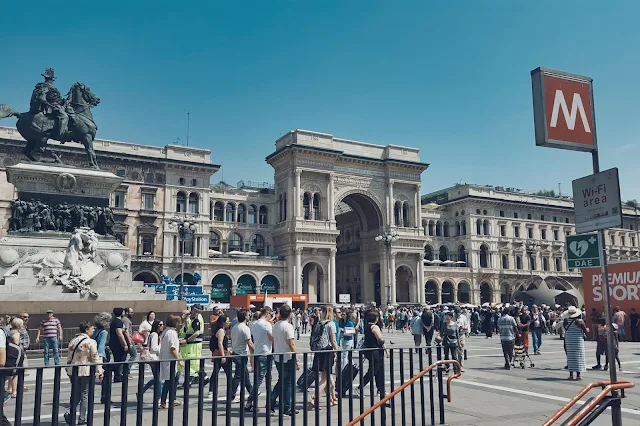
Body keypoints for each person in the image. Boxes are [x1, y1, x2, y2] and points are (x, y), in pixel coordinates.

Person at [64, 322, 103, 426]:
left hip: (73, 370)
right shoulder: (91, 342)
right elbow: (95, 357)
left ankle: (70, 412)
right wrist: (100, 370)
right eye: (92, 328)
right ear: (86, 329)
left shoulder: (73, 341)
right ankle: (82, 418)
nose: (93, 330)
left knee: (75, 393)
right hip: (86, 370)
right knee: (85, 394)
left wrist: (68, 370)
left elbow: (68, 357)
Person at [270, 304, 300, 416]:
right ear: (290, 314)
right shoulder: (288, 326)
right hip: (287, 357)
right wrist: (296, 358)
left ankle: (272, 401)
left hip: (278, 355)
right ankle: (287, 407)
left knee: (282, 380)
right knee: (287, 383)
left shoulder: (276, 325)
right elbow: (291, 343)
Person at [308, 305, 339, 409]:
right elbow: (333, 340)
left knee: (324, 377)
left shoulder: (318, 323)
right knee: (325, 379)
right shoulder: (331, 324)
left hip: (318, 351)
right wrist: (337, 350)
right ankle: (315, 397)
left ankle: (331, 397)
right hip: (327, 351)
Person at [245, 307, 274, 413]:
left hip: (258, 352)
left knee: (264, 379)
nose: (272, 316)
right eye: (271, 314)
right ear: (267, 313)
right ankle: (250, 401)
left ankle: (270, 401)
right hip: (265, 353)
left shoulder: (254, 324)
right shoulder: (266, 325)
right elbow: (272, 338)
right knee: (261, 380)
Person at [354, 309, 386, 399]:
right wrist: (383, 341)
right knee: (373, 371)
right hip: (375, 351)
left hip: (369, 350)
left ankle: (380, 389)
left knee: (378, 371)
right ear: (376, 318)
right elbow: (380, 339)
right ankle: (360, 387)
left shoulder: (367, 326)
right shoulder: (375, 327)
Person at [229, 309, 254, 403]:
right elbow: (250, 343)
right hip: (241, 354)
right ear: (245, 317)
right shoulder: (245, 328)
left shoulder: (235, 326)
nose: (249, 316)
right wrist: (257, 351)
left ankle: (251, 391)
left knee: (245, 375)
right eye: (248, 315)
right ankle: (231, 394)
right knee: (238, 376)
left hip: (236, 352)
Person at [160, 315, 183, 409]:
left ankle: (169, 400)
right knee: (170, 382)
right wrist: (180, 360)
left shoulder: (166, 331)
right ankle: (166, 401)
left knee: (169, 381)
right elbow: (173, 349)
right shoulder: (172, 333)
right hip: (171, 361)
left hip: (165, 359)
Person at [208, 315, 232, 400]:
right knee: (227, 373)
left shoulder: (220, 330)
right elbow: (220, 343)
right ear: (223, 322)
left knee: (216, 372)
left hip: (218, 354)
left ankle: (212, 391)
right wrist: (223, 356)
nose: (229, 322)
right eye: (227, 321)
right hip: (220, 354)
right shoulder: (221, 331)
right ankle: (230, 391)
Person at [181, 304, 205, 385]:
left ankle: (190, 381)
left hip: (193, 344)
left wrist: (186, 340)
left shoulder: (196, 318)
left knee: (192, 363)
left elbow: (196, 332)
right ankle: (202, 378)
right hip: (192, 344)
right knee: (194, 364)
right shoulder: (193, 317)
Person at [107, 308, 129, 391]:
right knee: (121, 360)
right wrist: (125, 344)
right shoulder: (118, 322)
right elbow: (120, 334)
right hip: (118, 344)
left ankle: (117, 376)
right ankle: (112, 371)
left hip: (113, 343)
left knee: (118, 359)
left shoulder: (114, 321)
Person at [140, 320, 163, 398]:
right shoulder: (155, 335)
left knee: (157, 377)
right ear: (156, 326)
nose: (162, 326)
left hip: (153, 358)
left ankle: (141, 391)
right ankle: (160, 397)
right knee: (158, 377)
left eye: (162, 324)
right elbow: (153, 348)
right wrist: (161, 347)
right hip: (154, 358)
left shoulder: (153, 334)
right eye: (160, 324)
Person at [564, 306, 588, 381]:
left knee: (570, 356)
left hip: (569, 339)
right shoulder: (580, 321)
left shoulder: (566, 320)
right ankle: (578, 375)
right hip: (578, 340)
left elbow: (565, 328)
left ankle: (571, 375)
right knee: (578, 356)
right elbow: (585, 330)